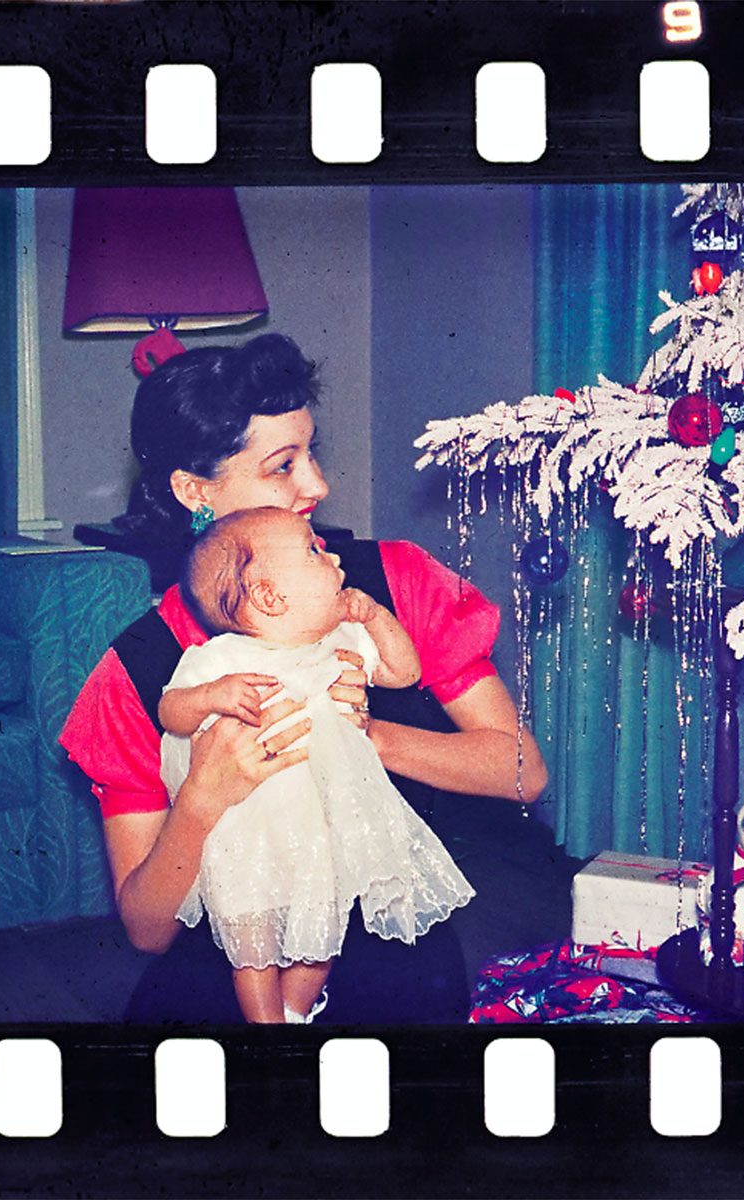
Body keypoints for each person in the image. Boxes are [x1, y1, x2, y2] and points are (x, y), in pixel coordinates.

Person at [60, 331, 549, 1024]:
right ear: (195, 490)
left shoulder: (386, 587)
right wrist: (201, 798)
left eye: (311, 452)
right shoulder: (141, 668)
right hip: (234, 971)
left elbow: (524, 772)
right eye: (282, 465)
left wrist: (367, 736)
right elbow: (146, 928)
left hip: (388, 950)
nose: (317, 484)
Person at [158, 507, 474, 1023]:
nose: (333, 556)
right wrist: (213, 695)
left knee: (322, 935)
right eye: (313, 550)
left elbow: (404, 671)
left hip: (324, 827)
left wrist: (374, 616)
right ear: (270, 596)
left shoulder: (341, 642)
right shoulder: (222, 656)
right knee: (253, 940)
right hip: (250, 829)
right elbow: (171, 710)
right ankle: (265, 1026)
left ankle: (295, 1014)